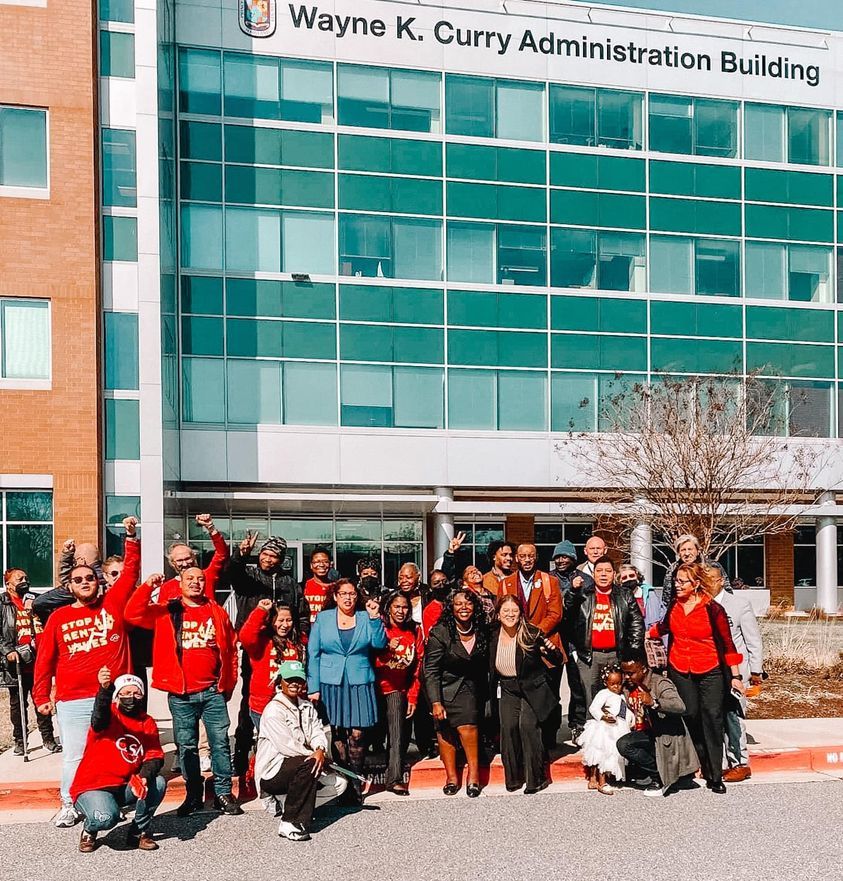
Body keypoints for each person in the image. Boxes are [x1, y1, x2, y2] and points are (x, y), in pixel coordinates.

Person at [33, 517, 140, 828]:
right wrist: (42, 695)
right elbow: (44, 661)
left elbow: (130, 572)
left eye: (89, 578)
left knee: (115, 751)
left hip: (115, 698)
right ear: (70, 586)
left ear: (98, 582)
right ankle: (69, 802)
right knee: (75, 755)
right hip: (74, 699)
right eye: (78, 579)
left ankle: (112, 799)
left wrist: (130, 537)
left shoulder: (113, 604)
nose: (84, 582)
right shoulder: (58, 617)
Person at [125, 569, 242, 816]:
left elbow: (231, 651)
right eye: (190, 579)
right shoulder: (168, 611)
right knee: (186, 746)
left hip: (212, 691)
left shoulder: (216, 612)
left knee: (220, 744)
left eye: (200, 579)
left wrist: (228, 686)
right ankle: (193, 795)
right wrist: (147, 587)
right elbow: (133, 614)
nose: (195, 583)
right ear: (180, 583)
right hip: (181, 694)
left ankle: (222, 792)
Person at [649, 562, 743, 794]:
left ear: (697, 584)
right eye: (676, 581)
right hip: (681, 668)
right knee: (690, 715)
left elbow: (728, 644)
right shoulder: (674, 606)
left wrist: (736, 676)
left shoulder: (713, 609)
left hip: (710, 669)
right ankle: (697, 765)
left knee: (712, 717)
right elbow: (663, 627)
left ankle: (715, 775)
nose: (677, 586)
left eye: (682, 582)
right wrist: (645, 634)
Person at [227, 531, 306, 776]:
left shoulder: (289, 583)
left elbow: (302, 615)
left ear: (281, 560)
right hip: (256, 647)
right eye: (265, 553)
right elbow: (231, 573)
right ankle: (240, 757)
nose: (268, 559)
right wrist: (241, 554)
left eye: (274, 556)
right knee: (250, 701)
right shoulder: (249, 575)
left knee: (286, 699)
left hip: (286, 647)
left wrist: (300, 640)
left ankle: (286, 752)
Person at [307, 579, 387, 803]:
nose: (348, 598)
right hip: (330, 682)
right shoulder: (323, 619)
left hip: (359, 680)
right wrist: (313, 687)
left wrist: (374, 618)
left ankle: (355, 784)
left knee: (358, 735)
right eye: (343, 593)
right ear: (335, 596)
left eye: (352, 594)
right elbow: (313, 653)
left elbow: (379, 644)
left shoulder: (365, 616)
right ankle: (341, 783)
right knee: (338, 734)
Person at [72, 667, 166, 853]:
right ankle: (89, 830)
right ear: (117, 697)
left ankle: (138, 831)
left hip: (124, 785)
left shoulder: (147, 722)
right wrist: (105, 689)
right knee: (106, 818)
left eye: (136, 693)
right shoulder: (109, 716)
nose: (131, 697)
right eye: (125, 693)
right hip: (94, 785)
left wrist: (145, 775)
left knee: (159, 783)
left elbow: (154, 754)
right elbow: (99, 715)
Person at [255, 660, 347, 841]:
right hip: (272, 773)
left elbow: (317, 732)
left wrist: (320, 749)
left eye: (298, 680)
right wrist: (317, 757)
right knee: (310, 765)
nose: (294, 684)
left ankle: (289, 803)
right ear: (280, 681)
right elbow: (287, 747)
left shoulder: (307, 706)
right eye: (289, 679)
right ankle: (289, 821)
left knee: (339, 783)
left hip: (303, 763)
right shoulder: (273, 710)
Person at [424, 589, 489, 798]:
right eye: (459, 604)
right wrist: (435, 701)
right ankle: (451, 777)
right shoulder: (440, 632)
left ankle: (473, 776)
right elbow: (431, 670)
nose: (464, 608)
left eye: (468, 604)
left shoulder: (482, 629)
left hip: (470, 688)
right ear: (451, 607)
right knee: (445, 732)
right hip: (443, 687)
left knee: (468, 727)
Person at [491, 594, 557, 794]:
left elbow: (556, 657)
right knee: (508, 727)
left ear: (520, 614)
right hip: (507, 686)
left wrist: (550, 650)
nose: (510, 615)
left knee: (527, 726)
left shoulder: (531, 632)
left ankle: (535, 779)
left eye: (514, 611)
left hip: (531, 687)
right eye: (506, 611)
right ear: (498, 614)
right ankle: (513, 778)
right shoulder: (492, 633)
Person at [704, 568, 763, 783]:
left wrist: (756, 670)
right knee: (713, 717)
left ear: (721, 581)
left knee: (734, 718)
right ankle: (717, 763)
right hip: (710, 671)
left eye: (712, 579)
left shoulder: (739, 605)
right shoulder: (700, 604)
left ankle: (740, 763)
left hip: (735, 672)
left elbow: (753, 640)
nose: (708, 582)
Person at [563, 555, 644, 708]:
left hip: (617, 655)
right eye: (599, 571)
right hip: (589, 657)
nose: (603, 574)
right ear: (593, 574)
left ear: (614, 574)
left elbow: (636, 624)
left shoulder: (625, 595)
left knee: (618, 700)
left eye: (608, 571)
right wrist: (573, 592)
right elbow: (567, 615)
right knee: (592, 702)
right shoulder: (583, 595)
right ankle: (593, 731)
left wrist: (633, 652)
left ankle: (620, 732)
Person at [617, 655, 700, 797]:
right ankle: (654, 772)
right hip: (644, 732)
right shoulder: (627, 686)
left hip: (664, 735)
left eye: (630, 673)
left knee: (626, 744)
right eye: (624, 673)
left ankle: (658, 777)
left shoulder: (660, 683)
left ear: (643, 669)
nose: (626, 677)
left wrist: (655, 703)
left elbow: (680, 706)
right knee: (624, 744)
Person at [0, 568, 60, 755]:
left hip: (39, 661)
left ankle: (48, 738)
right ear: (8, 583)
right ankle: (20, 740)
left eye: (26, 577)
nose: (24, 581)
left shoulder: (34, 599)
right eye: (19, 579)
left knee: (41, 700)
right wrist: (8, 650)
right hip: (16, 663)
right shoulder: (3, 604)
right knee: (18, 704)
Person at [375, 592, 424, 795]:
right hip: (374, 687)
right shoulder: (380, 628)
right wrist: (387, 649)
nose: (401, 611)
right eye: (397, 607)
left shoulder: (414, 630)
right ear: (388, 608)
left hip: (397, 689)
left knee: (397, 735)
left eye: (404, 607)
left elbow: (418, 665)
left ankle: (393, 778)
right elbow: (369, 658)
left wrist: (412, 696)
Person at [239, 599, 306, 730]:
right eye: (280, 620)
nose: (285, 625)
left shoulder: (298, 641)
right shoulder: (261, 641)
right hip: (263, 705)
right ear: (271, 620)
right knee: (269, 746)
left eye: (289, 620)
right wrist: (260, 611)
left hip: (291, 704)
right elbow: (245, 636)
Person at [549, 540, 592, 743]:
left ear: (574, 559)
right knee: (550, 686)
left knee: (578, 686)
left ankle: (577, 725)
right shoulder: (548, 579)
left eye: (565, 556)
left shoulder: (585, 580)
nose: (561, 560)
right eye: (558, 557)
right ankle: (551, 726)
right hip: (554, 639)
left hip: (577, 640)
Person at [580, 664, 632, 795]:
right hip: (605, 729)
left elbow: (626, 712)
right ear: (605, 683)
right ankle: (599, 781)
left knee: (611, 755)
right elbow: (593, 708)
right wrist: (603, 717)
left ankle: (602, 778)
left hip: (618, 729)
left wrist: (632, 721)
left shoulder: (622, 695)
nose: (616, 687)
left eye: (619, 683)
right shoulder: (604, 694)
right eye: (613, 684)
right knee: (601, 755)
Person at [161, 514, 230, 603]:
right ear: (172, 563)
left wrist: (210, 527)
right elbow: (160, 615)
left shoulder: (206, 577)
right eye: (179, 560)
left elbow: (222, 553)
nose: (185, 564)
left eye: (187, 559)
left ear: (194, 558)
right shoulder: (166, 588)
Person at [661, 535, 731, 608]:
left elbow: (727, 591)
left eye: (690, 549)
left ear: (698, 551)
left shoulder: (712, 566)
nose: (687, 553)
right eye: (683, 550)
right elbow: (666, 599)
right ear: (678, 553)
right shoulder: (673, 569)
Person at [303, 547, 337, 624]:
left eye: (325, 561)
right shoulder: (303, 586)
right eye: (317, 562)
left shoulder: (336, 588)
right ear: (311, 565)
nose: (321, 565)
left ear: (330, 564)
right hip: (308, 632)